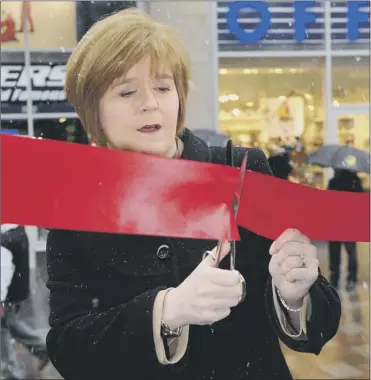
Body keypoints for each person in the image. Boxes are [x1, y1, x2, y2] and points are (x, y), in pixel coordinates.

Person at [45, 9, 341, 380]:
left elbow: (321, 322)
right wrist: (166, 312)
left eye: (163, 87)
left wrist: (295, 295)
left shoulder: (240, 172)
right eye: (127, 91)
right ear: (94, 111)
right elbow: (68, 347)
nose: (150, 102)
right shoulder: (76, 206)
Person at [1, 224, 49, 379]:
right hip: (17, 293)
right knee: (11, 325)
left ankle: (9, 372)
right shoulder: (19, 232)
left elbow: (4, 272)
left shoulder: (7, 240)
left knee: (3, 332)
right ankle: (43, 350)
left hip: (7, 297)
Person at [327, 169, 364, 291]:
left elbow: (327, 200)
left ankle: (334, 279)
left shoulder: (333, 181)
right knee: (350, 251)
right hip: (349, 221)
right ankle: (351, 279)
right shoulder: (355, 180)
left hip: (334, 221)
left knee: (335, 252)